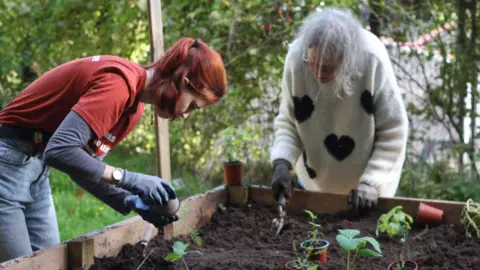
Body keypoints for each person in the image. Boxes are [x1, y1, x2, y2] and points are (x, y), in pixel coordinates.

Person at [0, 38, 227, 262]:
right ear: (183, 81)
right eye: (193, 106)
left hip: (36, 169)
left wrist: (129, 200)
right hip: (6, 163)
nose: (186, 115)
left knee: (49, 263)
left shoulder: (133, 109)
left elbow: (85, 166)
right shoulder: (118, 84)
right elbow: (59, 150)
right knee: (22, 265)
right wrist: (129, 178)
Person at [270, 8, 409, 215]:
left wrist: (373, 182)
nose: (317, 74)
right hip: (314, 184)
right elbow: (289, 121)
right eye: (312, 64)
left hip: (365, 194)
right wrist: (282, 162)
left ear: (347, 59)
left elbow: (393, 130)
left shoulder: (371, 59)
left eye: (325, 68)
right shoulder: (297, 59)